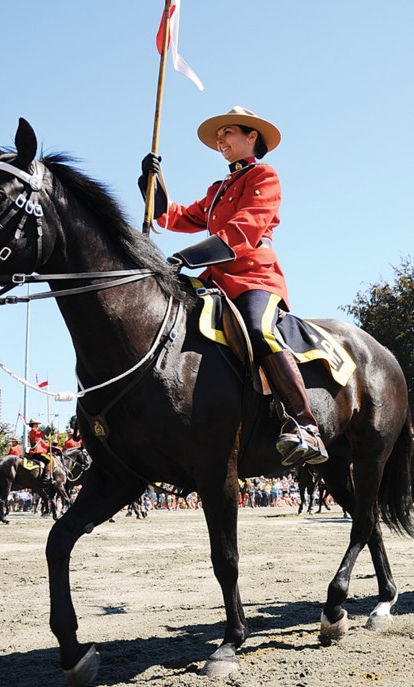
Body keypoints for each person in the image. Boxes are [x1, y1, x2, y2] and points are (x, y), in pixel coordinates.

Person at [139, 106, 327, 467]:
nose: (220, 140)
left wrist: (184, 257)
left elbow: (242, 231)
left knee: (258, 330)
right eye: (219, 135)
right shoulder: (219, 188)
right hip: (217, 281)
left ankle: (306, 424)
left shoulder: (265, 176)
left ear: (251, 136)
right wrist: (152, 184)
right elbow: (176, 217)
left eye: (227, 132)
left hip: (255, 278)